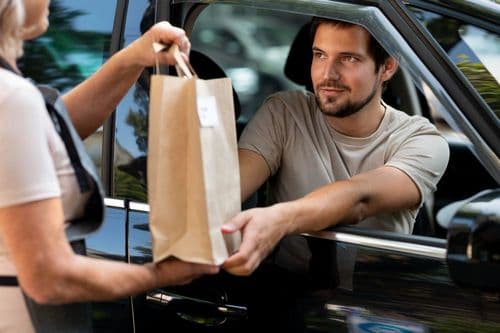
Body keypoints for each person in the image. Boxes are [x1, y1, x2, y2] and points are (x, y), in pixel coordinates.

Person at [0, 0, 218, 331]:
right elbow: (48, 277)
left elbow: (58, 128)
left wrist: (135, 55)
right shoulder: (12, 100)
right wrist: (159, 274)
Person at [222, 17, 450, 276]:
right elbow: (228, 189)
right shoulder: (284, 113)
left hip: (376, 302)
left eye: (349, 58)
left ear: (386, 67)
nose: (328, 74)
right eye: (320, 55)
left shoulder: (421, 140)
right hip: (286, 293)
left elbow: (359, 198)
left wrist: (278, 220)